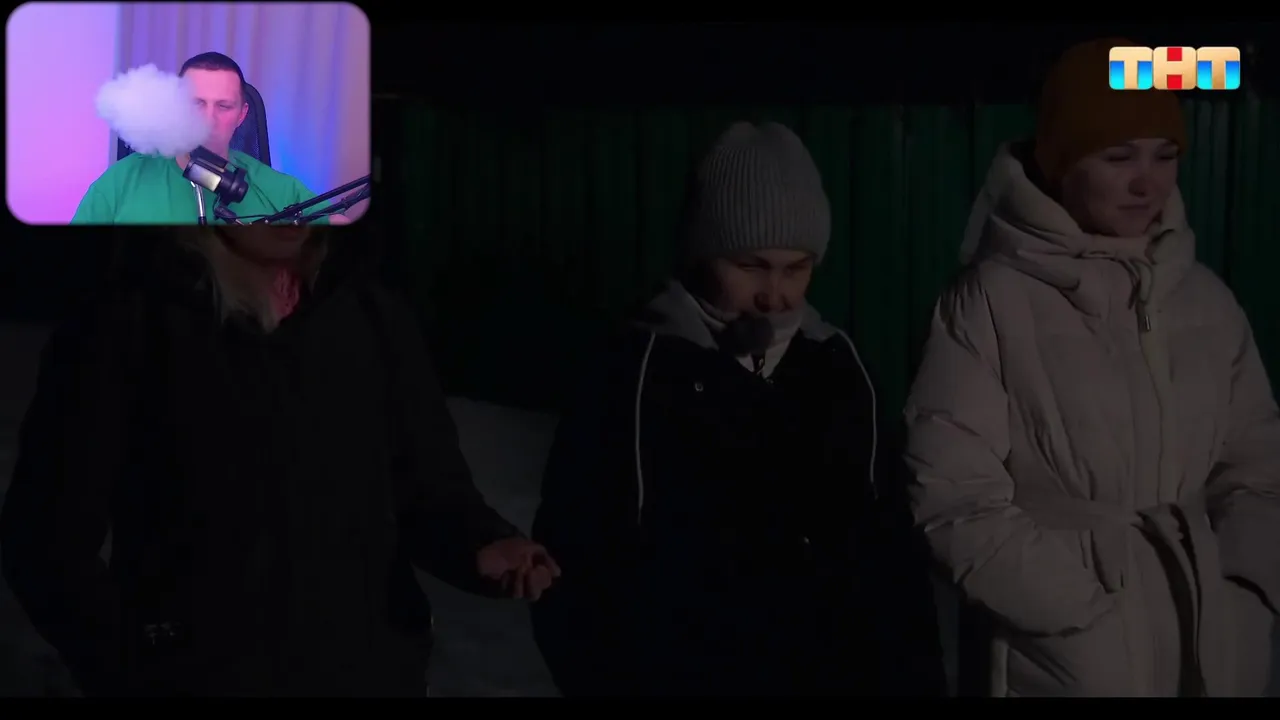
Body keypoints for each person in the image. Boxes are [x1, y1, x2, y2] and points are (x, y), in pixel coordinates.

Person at [0, 225, 560, 697]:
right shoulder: (128, 324)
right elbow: (46, 543)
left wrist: (482, 543)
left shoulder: (369, 315)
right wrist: (135, 666)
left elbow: (429, 490)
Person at [904, 38, 1279, 697]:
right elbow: (951, 494)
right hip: (1063, 665)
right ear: (1062, 162)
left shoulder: (1208, 303)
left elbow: (1259, 468)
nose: (1147, 182)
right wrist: (1077, 617)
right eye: (1118, 156)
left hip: (1213, 656)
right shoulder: (991, 303)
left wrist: (1245, 593)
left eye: (1165, 155)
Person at [530, 121, 947, 696]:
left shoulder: (840, 369)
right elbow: (574, 557)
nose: (775, 294)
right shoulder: (633, 373)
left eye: (796, 268)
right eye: (751, 266)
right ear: (704, 254)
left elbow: (889, 562)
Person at [71, 52, 350, 225]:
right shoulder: (120, 182)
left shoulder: (276, 188)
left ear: (241, 115)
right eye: (196, 103)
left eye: (223, 106)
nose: (208, 119)